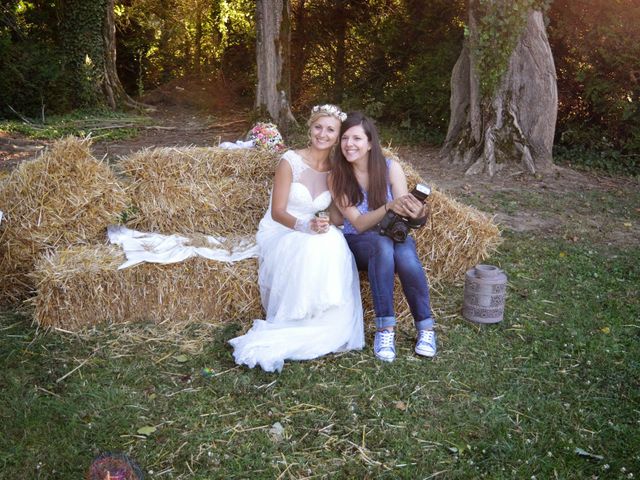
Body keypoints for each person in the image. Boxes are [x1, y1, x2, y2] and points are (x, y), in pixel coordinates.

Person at [229, 105, 364, 372]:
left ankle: (322, 318)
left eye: (330, 130)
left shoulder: (337, 171)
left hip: (314, 227)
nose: (322, 134)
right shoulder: (289, 160)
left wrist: (326, 219)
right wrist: (304, 225)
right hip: (284, 229)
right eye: (318, 127)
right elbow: (278, 212)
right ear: (310, 128)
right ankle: (297, 317)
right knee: (311, 243)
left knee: (332, 241)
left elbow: (337, 219)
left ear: (338, 137)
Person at [329, 111, 437, 362]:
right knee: (382, 244)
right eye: (345, 138)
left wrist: (417, 213)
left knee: (406, 256)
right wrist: (388, 207)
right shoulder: (337, 176)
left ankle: (426, 329)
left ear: (369, 144)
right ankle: (385, 329)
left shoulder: (390, 168)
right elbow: (357, 223)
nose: (349, 144)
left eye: (356, 138)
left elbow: (407, 216)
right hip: (358, 241)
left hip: (392, 237)